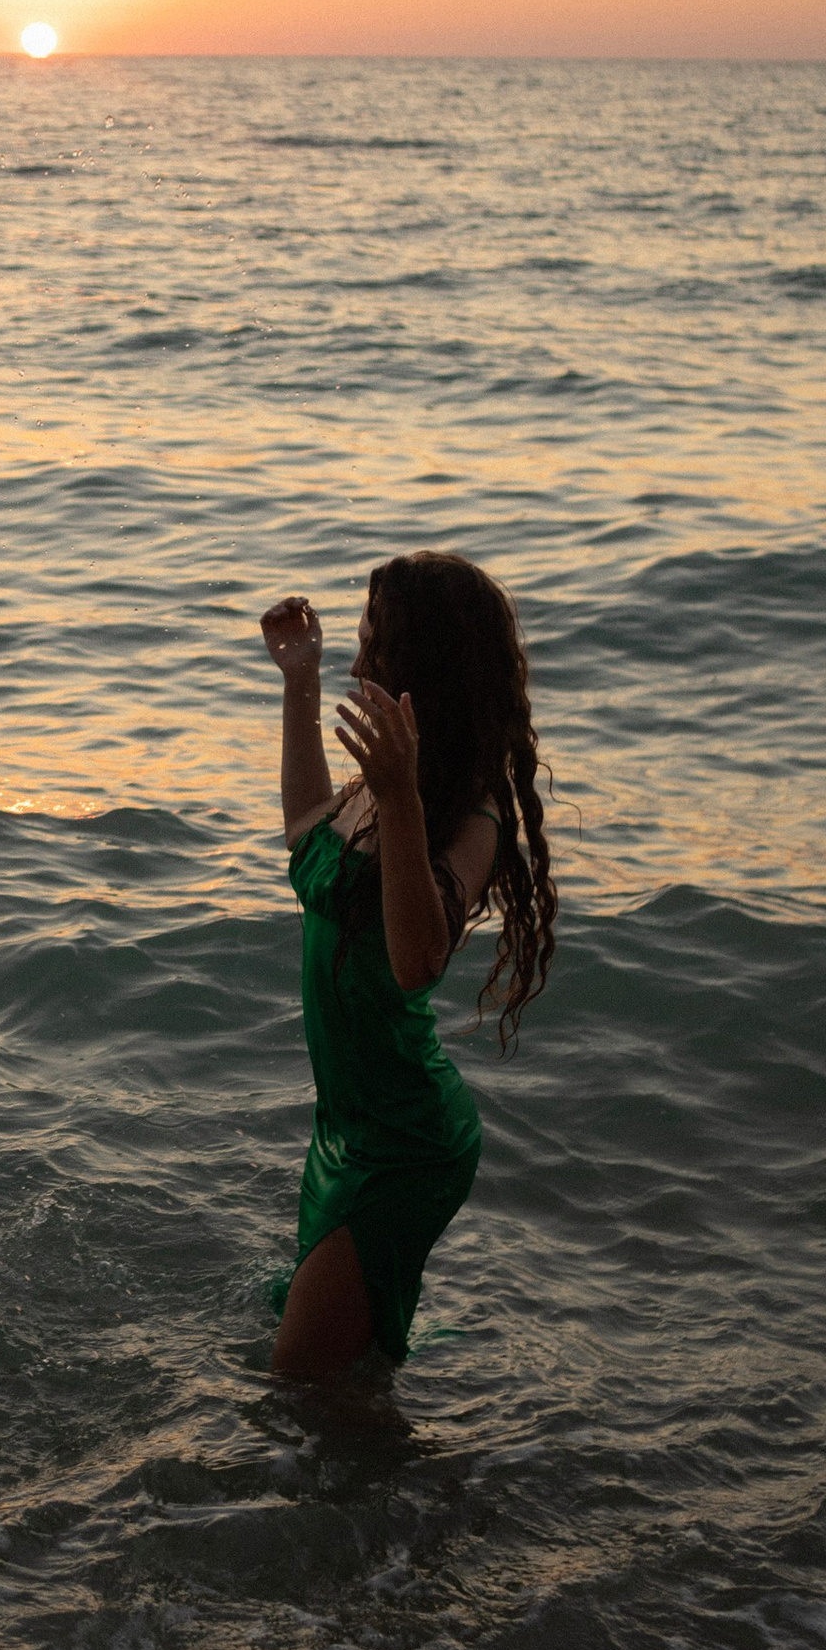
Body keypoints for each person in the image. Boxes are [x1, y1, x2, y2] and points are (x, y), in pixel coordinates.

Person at [257, 553, 555, 1381]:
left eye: (373, 649)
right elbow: (305, 836)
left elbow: (417, 961)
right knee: (342, 1385)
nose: (357, 669)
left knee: (299, 1388)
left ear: (422, 669)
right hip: (347, 1130)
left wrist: (399, 797)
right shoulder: (377, 788)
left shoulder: (468, 811)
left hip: (406, 1143)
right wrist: (300, 683)